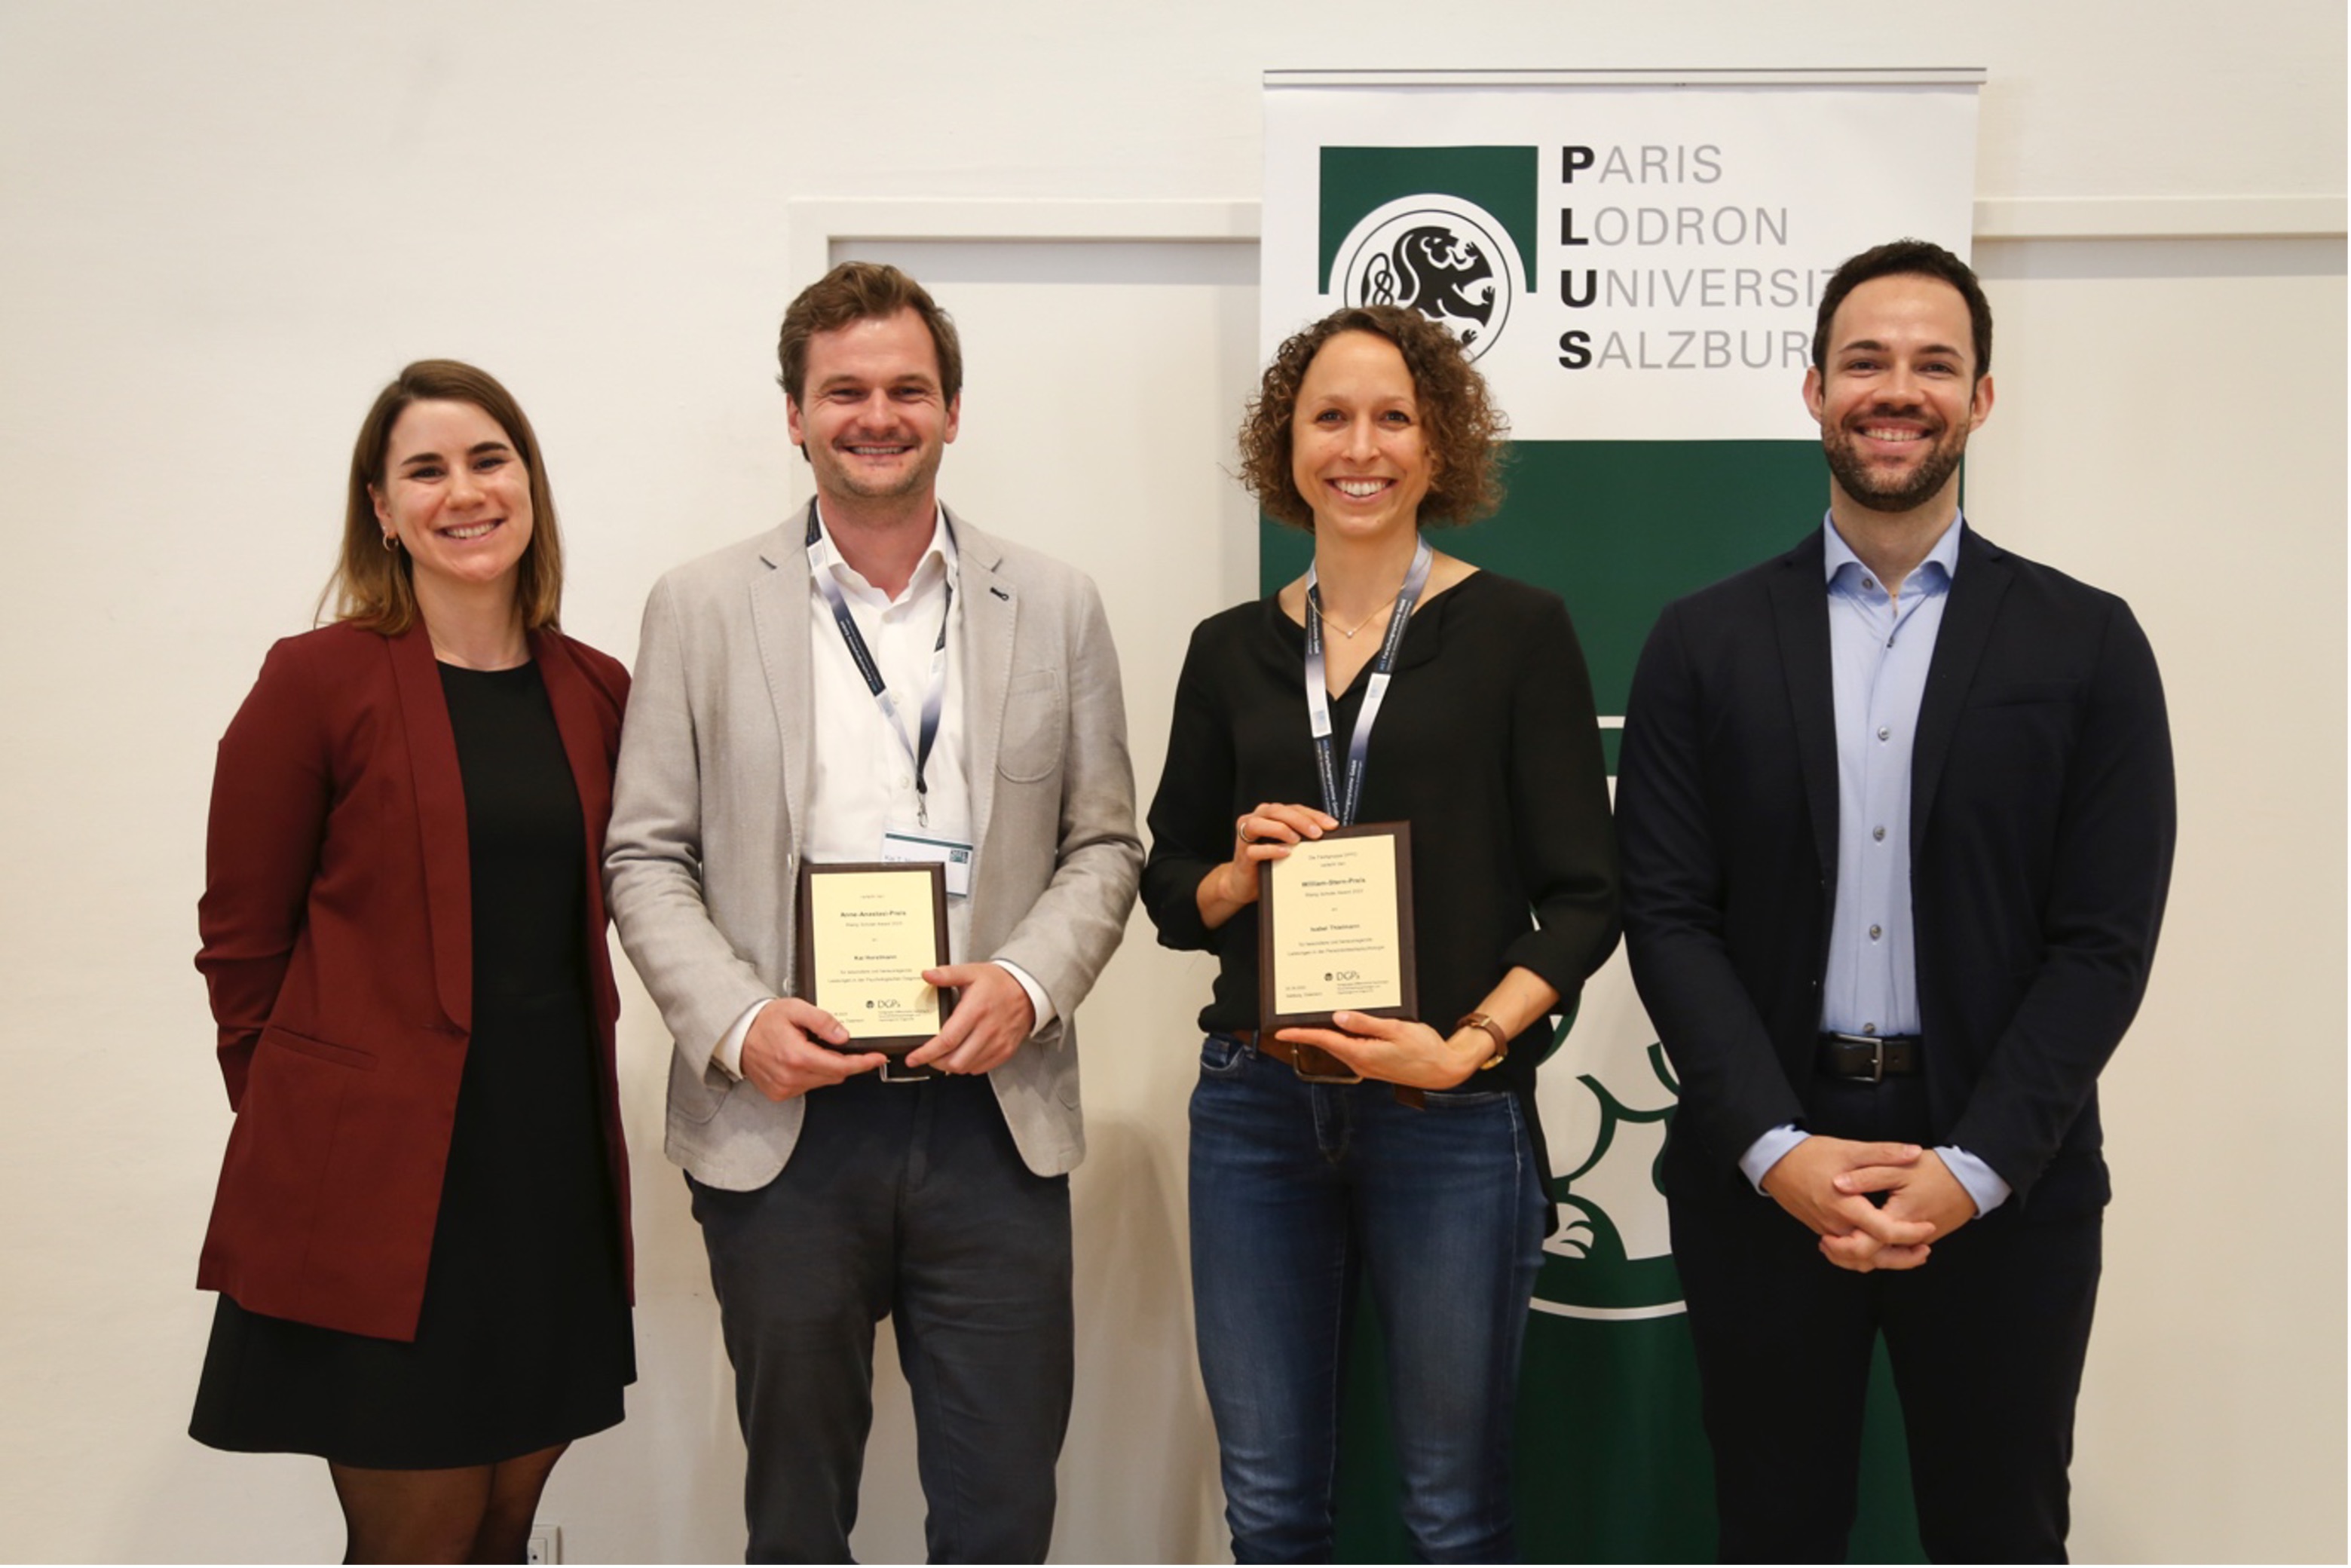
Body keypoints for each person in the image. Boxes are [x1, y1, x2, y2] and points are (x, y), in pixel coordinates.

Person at [1615, 239, 2177, 1563]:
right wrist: (1773, 1151)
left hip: (2006, 1178)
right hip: (1765, 1172)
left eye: (1936, 364)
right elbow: (1667, 912)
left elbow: (2104, 941)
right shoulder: (1702, 641)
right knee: (1774, 1530)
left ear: (1983, 400)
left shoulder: (2087, 642)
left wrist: (1974, 1169)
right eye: (1867, 361)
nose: (1898, 388)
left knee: (2002, 1534)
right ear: (1813, 389)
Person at [604, 261, 1140, 1564]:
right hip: (785, 1116)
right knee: (795, 1513)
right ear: (793, 415)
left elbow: (1105, 840)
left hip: (991, 1116)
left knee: (1003, 1510)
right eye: (844, 391)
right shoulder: (699, 605)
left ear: (954, 410)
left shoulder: (1055, 602)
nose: (877, 415)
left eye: (909, 388)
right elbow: (644, 857)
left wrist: (1023, 983)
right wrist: (737, 1024)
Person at [1140, 303, 1621, 1563]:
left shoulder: (1520, 633)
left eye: (1393, 417)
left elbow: (1585, 897)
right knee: (1272, 1512)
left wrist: (1466, 1047)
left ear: (1439, 443)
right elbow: (1167, 886)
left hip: (1449, 1111)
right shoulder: (1228, 651)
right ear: (1285, 445)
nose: (1362, 447)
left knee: (1453, 1515)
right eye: (1331, 416)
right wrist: (1233, 883)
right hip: (1256, 1108)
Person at [189, 360, 636, 1563]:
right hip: (383, 1192)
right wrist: (306, 1130)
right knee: (415, 1541)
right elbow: (240, 945)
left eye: (489, 459)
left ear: (530, 483)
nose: (464, 492)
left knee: (504, 1527)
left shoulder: (596, 689)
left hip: (547, 1175)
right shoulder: (315, 681)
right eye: (425, 471)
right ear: (382, 511)